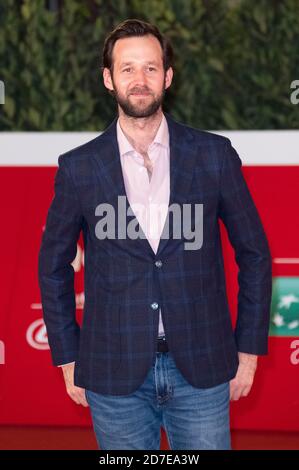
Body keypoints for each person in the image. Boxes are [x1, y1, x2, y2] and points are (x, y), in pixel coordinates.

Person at [38, 18, 272, 450]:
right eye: (127, 68)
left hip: (201, 369)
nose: (139, 80)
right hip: (113, 373)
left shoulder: (213, 155)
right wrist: (68, 356)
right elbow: (52, 267)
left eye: (150, 67)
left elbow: (255, 253)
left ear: (167, 76)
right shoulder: (79, 167)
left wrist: (249, 350)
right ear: (109, 79)